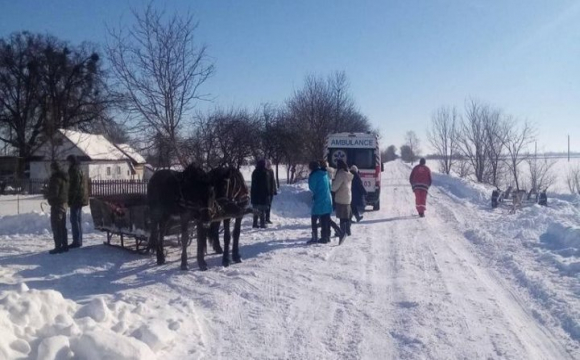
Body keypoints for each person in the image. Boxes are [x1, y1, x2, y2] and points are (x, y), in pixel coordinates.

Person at [307, 161, 333, 244]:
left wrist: (316, 194)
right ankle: (327, 236)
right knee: (325, 218)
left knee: (314, 218)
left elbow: (312, 187)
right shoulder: (325, 173)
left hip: (319, 199)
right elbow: (330, 186)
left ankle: (315, 237)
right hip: (328, 199)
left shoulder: (314, 175)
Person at [46, 161, 69, 254]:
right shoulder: (65, 178)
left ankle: (58, 246)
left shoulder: (55, 179)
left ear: (54, 169)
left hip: (57, 204)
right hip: (64, 203)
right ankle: (65, 245)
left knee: (56, 225)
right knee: (62, 226)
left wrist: (47, 195)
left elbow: (54, 192)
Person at [67, 155, 88, 248]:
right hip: (81, 197)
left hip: (76, 198)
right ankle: (79, 240)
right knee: (78, 220)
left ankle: (76, 240)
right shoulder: (80, 169)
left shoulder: (74, 170)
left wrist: (71, 199)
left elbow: (74, 187)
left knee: (74, 219)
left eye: (68, 161)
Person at [332, 159, 353, 244]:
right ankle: (347, 231)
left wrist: (332, 184)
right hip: (347, 197)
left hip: (341, 197)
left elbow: (334, 187)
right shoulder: (348, 174)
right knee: (346, 216)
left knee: (342, 217)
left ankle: (342, 233)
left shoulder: (341, 174)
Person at [251, 159, 272, 228]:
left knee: (256, 209)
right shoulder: (265, 172)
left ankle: (255, 223)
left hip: (255, 194)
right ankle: (262, 223)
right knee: (262, 209)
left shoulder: (254, 172)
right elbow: (266, 184)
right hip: (263, 194)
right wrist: (268, 192)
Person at [265, 159, 277, 224]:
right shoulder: (264, 171)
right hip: (266, 192)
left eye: (270, 164)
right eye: (268, 164)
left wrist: (274, 189)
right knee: (265, 205)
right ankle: (264, 218)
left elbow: (273, 181)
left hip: (271, 191)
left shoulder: (271, 171)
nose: (269, 165)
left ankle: (267, 218)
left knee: (269, 205)